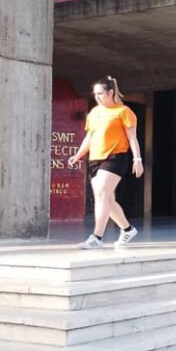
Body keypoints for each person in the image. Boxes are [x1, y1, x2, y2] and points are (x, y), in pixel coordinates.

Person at [67, 75, 143, 249]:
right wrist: (78, 155)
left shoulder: (123, 111)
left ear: (110, 92)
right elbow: (90, 136)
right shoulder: (94, 113)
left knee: (102, 194)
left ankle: (97, 238)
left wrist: (137, 159)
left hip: (115, 157)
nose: (97, 97)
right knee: (106, 198)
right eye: (95, 94)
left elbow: (133, 138)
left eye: (101, 93)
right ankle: (128, 229)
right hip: (95, 158)